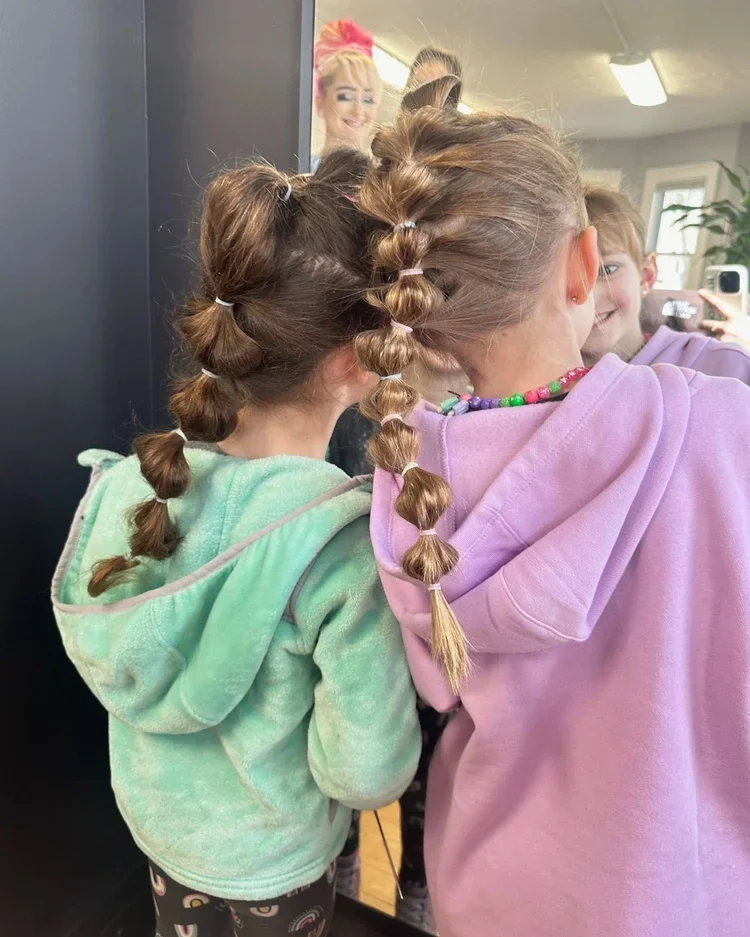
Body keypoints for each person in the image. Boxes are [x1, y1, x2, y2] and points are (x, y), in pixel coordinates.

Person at [355, 104, 750, 937]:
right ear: (583, 265)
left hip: (490, 891)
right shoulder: (720, 427)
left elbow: (434, 690)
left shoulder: (409, 476)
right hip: (686, 891)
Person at [51, 151, 420, 937]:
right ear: (359, 363)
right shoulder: (337, 546)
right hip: (275, 868)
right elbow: (362, 770)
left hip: (163, 834)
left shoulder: (134, 483)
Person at [582, 184, 750, 381]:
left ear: (646, 276)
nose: (588, 297)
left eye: (607, 270)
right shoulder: (542, 378)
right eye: (564, 278)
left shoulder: (722, 365)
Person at [314, 21, 382, 162]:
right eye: (345, 96)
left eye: (368, 99)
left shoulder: (387, 179)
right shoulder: (299, 174)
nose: (358, 111)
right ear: (320, 101)